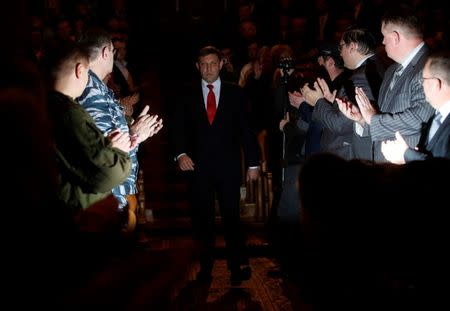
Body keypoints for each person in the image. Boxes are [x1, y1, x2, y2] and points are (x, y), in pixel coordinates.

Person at [170, 46, 260, 285]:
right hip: (197, 168)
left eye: (213, 63)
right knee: (203, 220)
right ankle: (205, 269)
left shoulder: (236, 93)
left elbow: (246, 130)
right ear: (197, 66)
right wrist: (180, 154)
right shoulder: (186, 94)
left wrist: (253, 162)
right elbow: (177, 129)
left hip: (228, 167)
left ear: (221, 63)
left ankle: (236, 267)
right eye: (203, 64)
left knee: (232, 217)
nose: (208, 68)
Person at [77, 28, 163, 231]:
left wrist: (134, 130)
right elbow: (105, 152)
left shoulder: (100, 88)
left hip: (120, 193)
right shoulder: (91, 91)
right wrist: (135, 134)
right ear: (106, 52)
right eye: (114, 52)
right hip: (110, 199)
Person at [338, 4, 435, 162]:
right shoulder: (391, 70)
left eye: (384, 36)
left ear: (395, 37)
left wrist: (372, 119)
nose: (382, 42)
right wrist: (363, 119)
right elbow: (381, 119)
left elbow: (419, 118)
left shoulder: (429, 66)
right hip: (385, 169)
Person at [44, 40, 132, 213]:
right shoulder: (69, 112)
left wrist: (106, 146)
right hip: (76, 213)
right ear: (80, 70)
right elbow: (108, 173)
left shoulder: (41, 105)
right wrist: (117, 151)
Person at [302, 28, 385, 161]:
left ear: (352, 47)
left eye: (341, 47)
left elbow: (341, 124)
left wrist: (318, 102)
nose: (340, 54)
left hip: (352, 156)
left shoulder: (362, 76)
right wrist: (332, 103)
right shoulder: (373, 68)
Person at [381, 50, 450, 163]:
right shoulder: (436, 116)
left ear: (435, 84)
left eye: (423, 80)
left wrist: (406, 155)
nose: (421, 84)